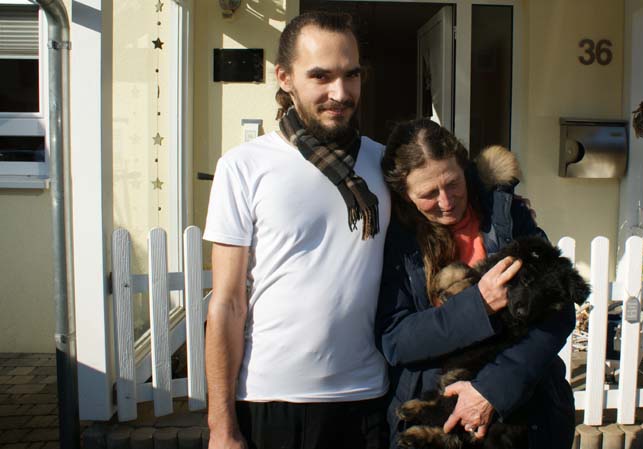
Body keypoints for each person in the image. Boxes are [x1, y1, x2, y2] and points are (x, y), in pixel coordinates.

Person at [203, 11, 390, 449]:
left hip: (367, 400)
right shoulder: (244, 167)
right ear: (284, 77)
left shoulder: (385, 164)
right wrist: (221, 427)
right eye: (321, 76)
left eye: (351, 75)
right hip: (272, 400)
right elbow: (227, 304)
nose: (339, 93)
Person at [377, 119, 576, 448]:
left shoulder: (505, 216)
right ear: (405, 194)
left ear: (464, 167)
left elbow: (558, 309)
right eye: (428, 194)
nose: (446, 201)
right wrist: (479, 304)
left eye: (453, 183)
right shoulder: (393, 238)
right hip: (434, 418)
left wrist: (491, 390)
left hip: (525, 414)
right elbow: (396, 340)